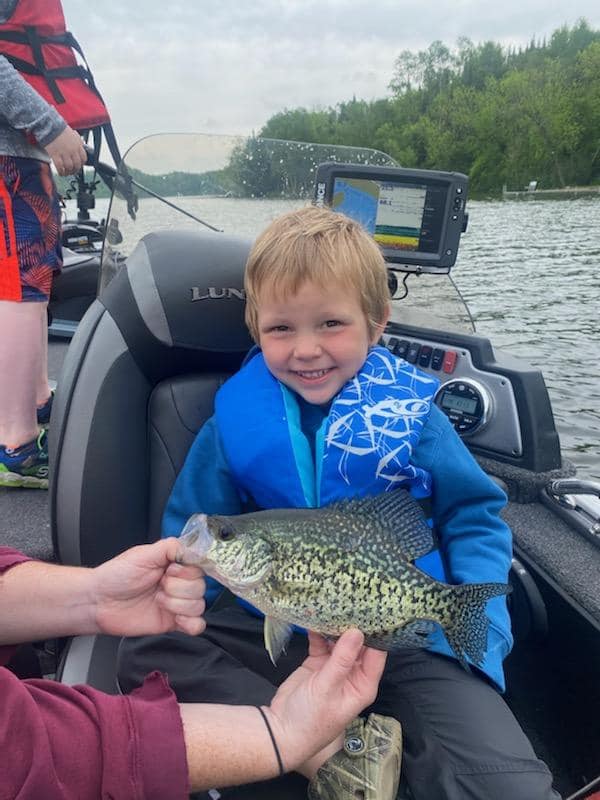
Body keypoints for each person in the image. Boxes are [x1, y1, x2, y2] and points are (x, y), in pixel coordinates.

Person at [118, 205, 560, 800]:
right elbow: (188, 537)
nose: (306, 349)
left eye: (331, 323)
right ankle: (328, 753)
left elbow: (473, 516)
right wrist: (183, 584)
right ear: (256, 329)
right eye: (281, 329)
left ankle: (364, 752)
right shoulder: (231, 426)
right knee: (146, 650)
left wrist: (477, 633)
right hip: (274, 624)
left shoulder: (415, 420)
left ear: (376, 324)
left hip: (401, 633)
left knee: (504, 784)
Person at [0, 542, 387, 800]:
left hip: (363, 637)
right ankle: (345, 760)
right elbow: (17, 752)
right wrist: (277, 733)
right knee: (148, 648)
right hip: (276, 635)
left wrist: (94, 595)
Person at [0, 0, 118, 488]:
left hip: (23, 158)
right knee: (19, 291)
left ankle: (34, 404)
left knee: (34, 283)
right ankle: (16, 446)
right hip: (10, 158)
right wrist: (51, 128)